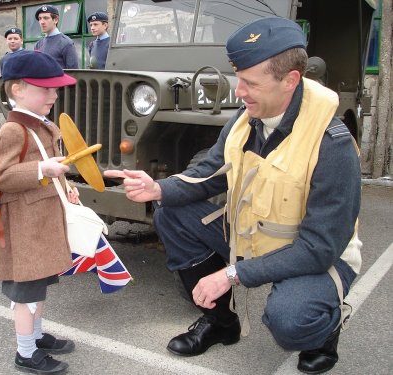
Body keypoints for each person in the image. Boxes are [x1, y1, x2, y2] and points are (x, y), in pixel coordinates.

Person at [104, 17, 361, 374]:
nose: (238, 91)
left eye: (250, 82)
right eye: (238, 78)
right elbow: (208, 173)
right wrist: (158, 188)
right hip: (256, 236)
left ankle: (322, 332)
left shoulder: (333, 144)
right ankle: (222, 322)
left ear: (290, 80)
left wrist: (230, 275)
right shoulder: (246, 118)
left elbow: (319, 249)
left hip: (314, 253)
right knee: (171, 212)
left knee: (290, 320)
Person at [0, 50, 78, 374]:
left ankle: (36, 337)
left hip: (39, 225)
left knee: (38, 287)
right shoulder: (14, 130)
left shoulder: (39, 125)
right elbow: (0, 176)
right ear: (18, 90)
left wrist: (65, 184)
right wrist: (42, 168)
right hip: (24, 229)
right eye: (46, 89)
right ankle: (25, 352)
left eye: (55, 89)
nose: (54, 95)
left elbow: (52, 165)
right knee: (25, 294)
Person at [34, 4, 79, 69]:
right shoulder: (38, 44)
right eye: (40, 18)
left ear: (56, 20)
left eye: (46, 18)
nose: (42, 22)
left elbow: (73, 73)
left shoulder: (66, 43)